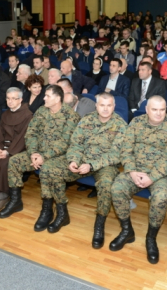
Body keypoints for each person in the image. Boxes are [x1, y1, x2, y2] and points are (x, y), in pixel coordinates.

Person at [40, 92, 126, 244]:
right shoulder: (87, 120)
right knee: (48, 167)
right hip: (82, 160)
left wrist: (92, 165)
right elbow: (76, 143)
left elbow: (116, 154)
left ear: (114, 106)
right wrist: (73, 160)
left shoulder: (120, 125)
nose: (105, 109)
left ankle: (99, 224)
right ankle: (61, 212)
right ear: (96, 106)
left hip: (105, 165)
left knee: (106, 185)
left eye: (109, 106)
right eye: (102, 105)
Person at [0, 85, 80, 230]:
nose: (44, 98)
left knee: (48, 169)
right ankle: (16, 201)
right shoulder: (42, 111)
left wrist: (44, 156)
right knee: (15, 161)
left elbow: (65, 143)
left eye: (47, 96)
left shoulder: (71, 116)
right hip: (38, 154)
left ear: (57, 98)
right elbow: (31, 134)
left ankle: (47, 210)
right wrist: (34, 153)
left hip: (58, 157)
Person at [110, 96, 167, 264]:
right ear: (147, 109)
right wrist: (132, 171)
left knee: (161, 198)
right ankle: (127, 231)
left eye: (162, 110)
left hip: (159, 175)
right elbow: (126, 149)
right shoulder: (136, 123)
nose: (158, 113)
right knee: (117, 188)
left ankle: (151, 237)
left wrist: (152, 177)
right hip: (136, 169)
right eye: (154, 109)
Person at [0, 87, 33, 211]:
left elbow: (23, 138)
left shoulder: (27, 115)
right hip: (3, 147)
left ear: (20, 99)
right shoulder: (5, 114)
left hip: (18, 149)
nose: (10, 101)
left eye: (14, 99)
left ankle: (2, 196)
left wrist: (8, 152)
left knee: (4, 164)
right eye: (8, 98)